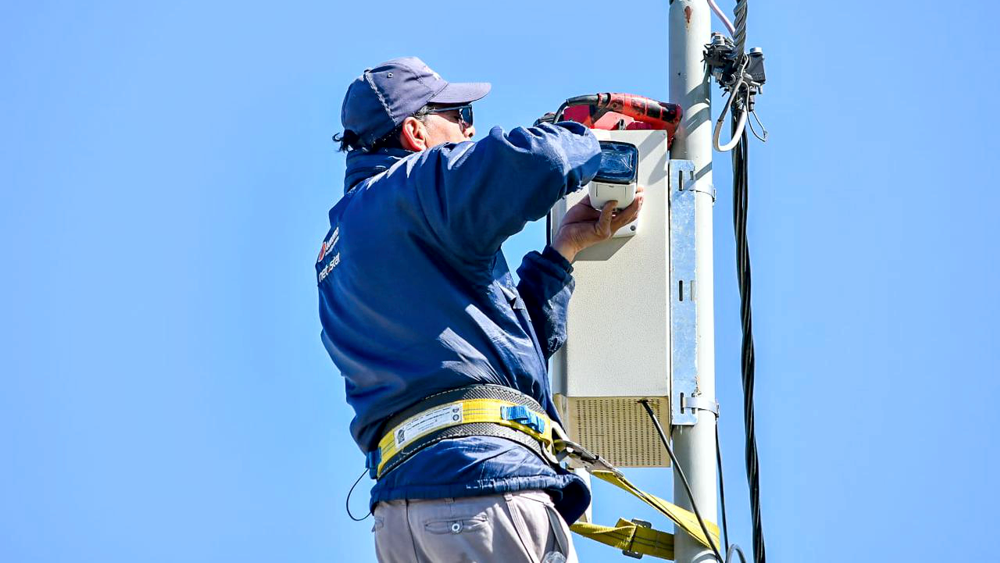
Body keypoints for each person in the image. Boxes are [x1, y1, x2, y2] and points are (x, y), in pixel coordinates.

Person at [317, 57, 643, 562]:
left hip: (402, 517)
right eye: (458, 114)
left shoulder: (338, 250)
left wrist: (563, 251)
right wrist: (595, 138)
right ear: (415, 132)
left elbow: (492, 356)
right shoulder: (417, 186)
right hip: (483, 486)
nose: (468, 128)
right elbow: (538, 158)